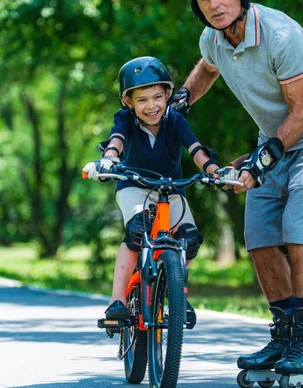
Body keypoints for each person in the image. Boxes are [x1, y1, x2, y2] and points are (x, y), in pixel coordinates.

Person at [171, 0, 303, 379]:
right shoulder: (212, 39)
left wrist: (260, 161)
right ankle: (284, 335)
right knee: (259, 237)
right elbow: (208, 68)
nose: (214, 4)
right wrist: (182, 101)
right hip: (271, 141)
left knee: (298, 233)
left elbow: (302, 111)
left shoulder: (280, 35)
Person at [83, 56, 221, 328]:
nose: (151, 106)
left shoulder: (175, 120)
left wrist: (214, 170)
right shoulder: (125, 120)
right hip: (134, 187)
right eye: (142, 100)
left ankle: (174, 288)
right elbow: (117, 140)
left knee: (190, 239)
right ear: (128, 102)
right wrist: (110, 159)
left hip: (170, 190)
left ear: (168, 95)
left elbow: (194, 148)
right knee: (137, 230)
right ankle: (117, 300)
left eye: (157, 97)